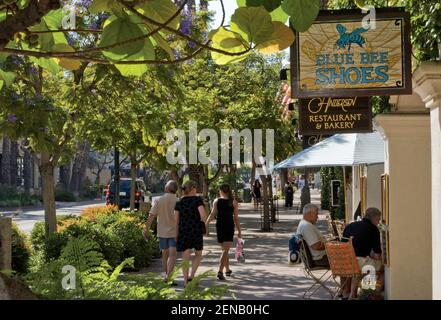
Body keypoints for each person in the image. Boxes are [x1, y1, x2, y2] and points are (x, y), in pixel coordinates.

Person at [341, 207, 383, 299]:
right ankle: (367, 293)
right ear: (374, 218)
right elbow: (377, 255)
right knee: (380, 267)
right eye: (378, 219)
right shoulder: (373, 229)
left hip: (344, 262)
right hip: (359, 263)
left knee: (359, 268)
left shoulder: (350, 226)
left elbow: (343, 244)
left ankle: (348, 293)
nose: (379, 221)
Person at [144, 180, 178, 284]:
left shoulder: (158, 200)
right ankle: (169, 277)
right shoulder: (178, 200)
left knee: (165, 254)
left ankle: (167, 276)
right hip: (175, 231)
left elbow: (151, 215)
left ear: (167, 188)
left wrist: (146, 229)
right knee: (173, 255)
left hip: (162, 232)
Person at [206, 184, 242, 280]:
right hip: (229, 226)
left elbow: (213, 214)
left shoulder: (216, 201)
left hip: (220, 226)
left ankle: (227, 269)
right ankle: (220, 271)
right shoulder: (233, 202)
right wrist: (239, 230)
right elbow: (236, 218)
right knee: (225, 251)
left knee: (224, 250)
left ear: (221, 191)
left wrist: (207, 223)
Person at [174, 180, 207, 286]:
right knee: (198, 254)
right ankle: (191, 276)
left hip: (183, 231)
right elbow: (203, 215)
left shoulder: (179, 202)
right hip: (196, 230)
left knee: (185, 257)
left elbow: (176, 220)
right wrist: (202, 223)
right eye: (196, 187)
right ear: (192, 188)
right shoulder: (197, 200)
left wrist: (176, 234)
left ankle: (185, 282)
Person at [296, 203, 329, 268]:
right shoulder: (306, 226)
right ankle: (347, 277)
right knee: (348, 258)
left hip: (320, 257)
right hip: (320, 258)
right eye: (316, 214)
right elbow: (316, 246)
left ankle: (346, 277)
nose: (317, 217)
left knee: (347, 256)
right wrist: (330, 244)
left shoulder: (304, 224)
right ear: (310, 214)